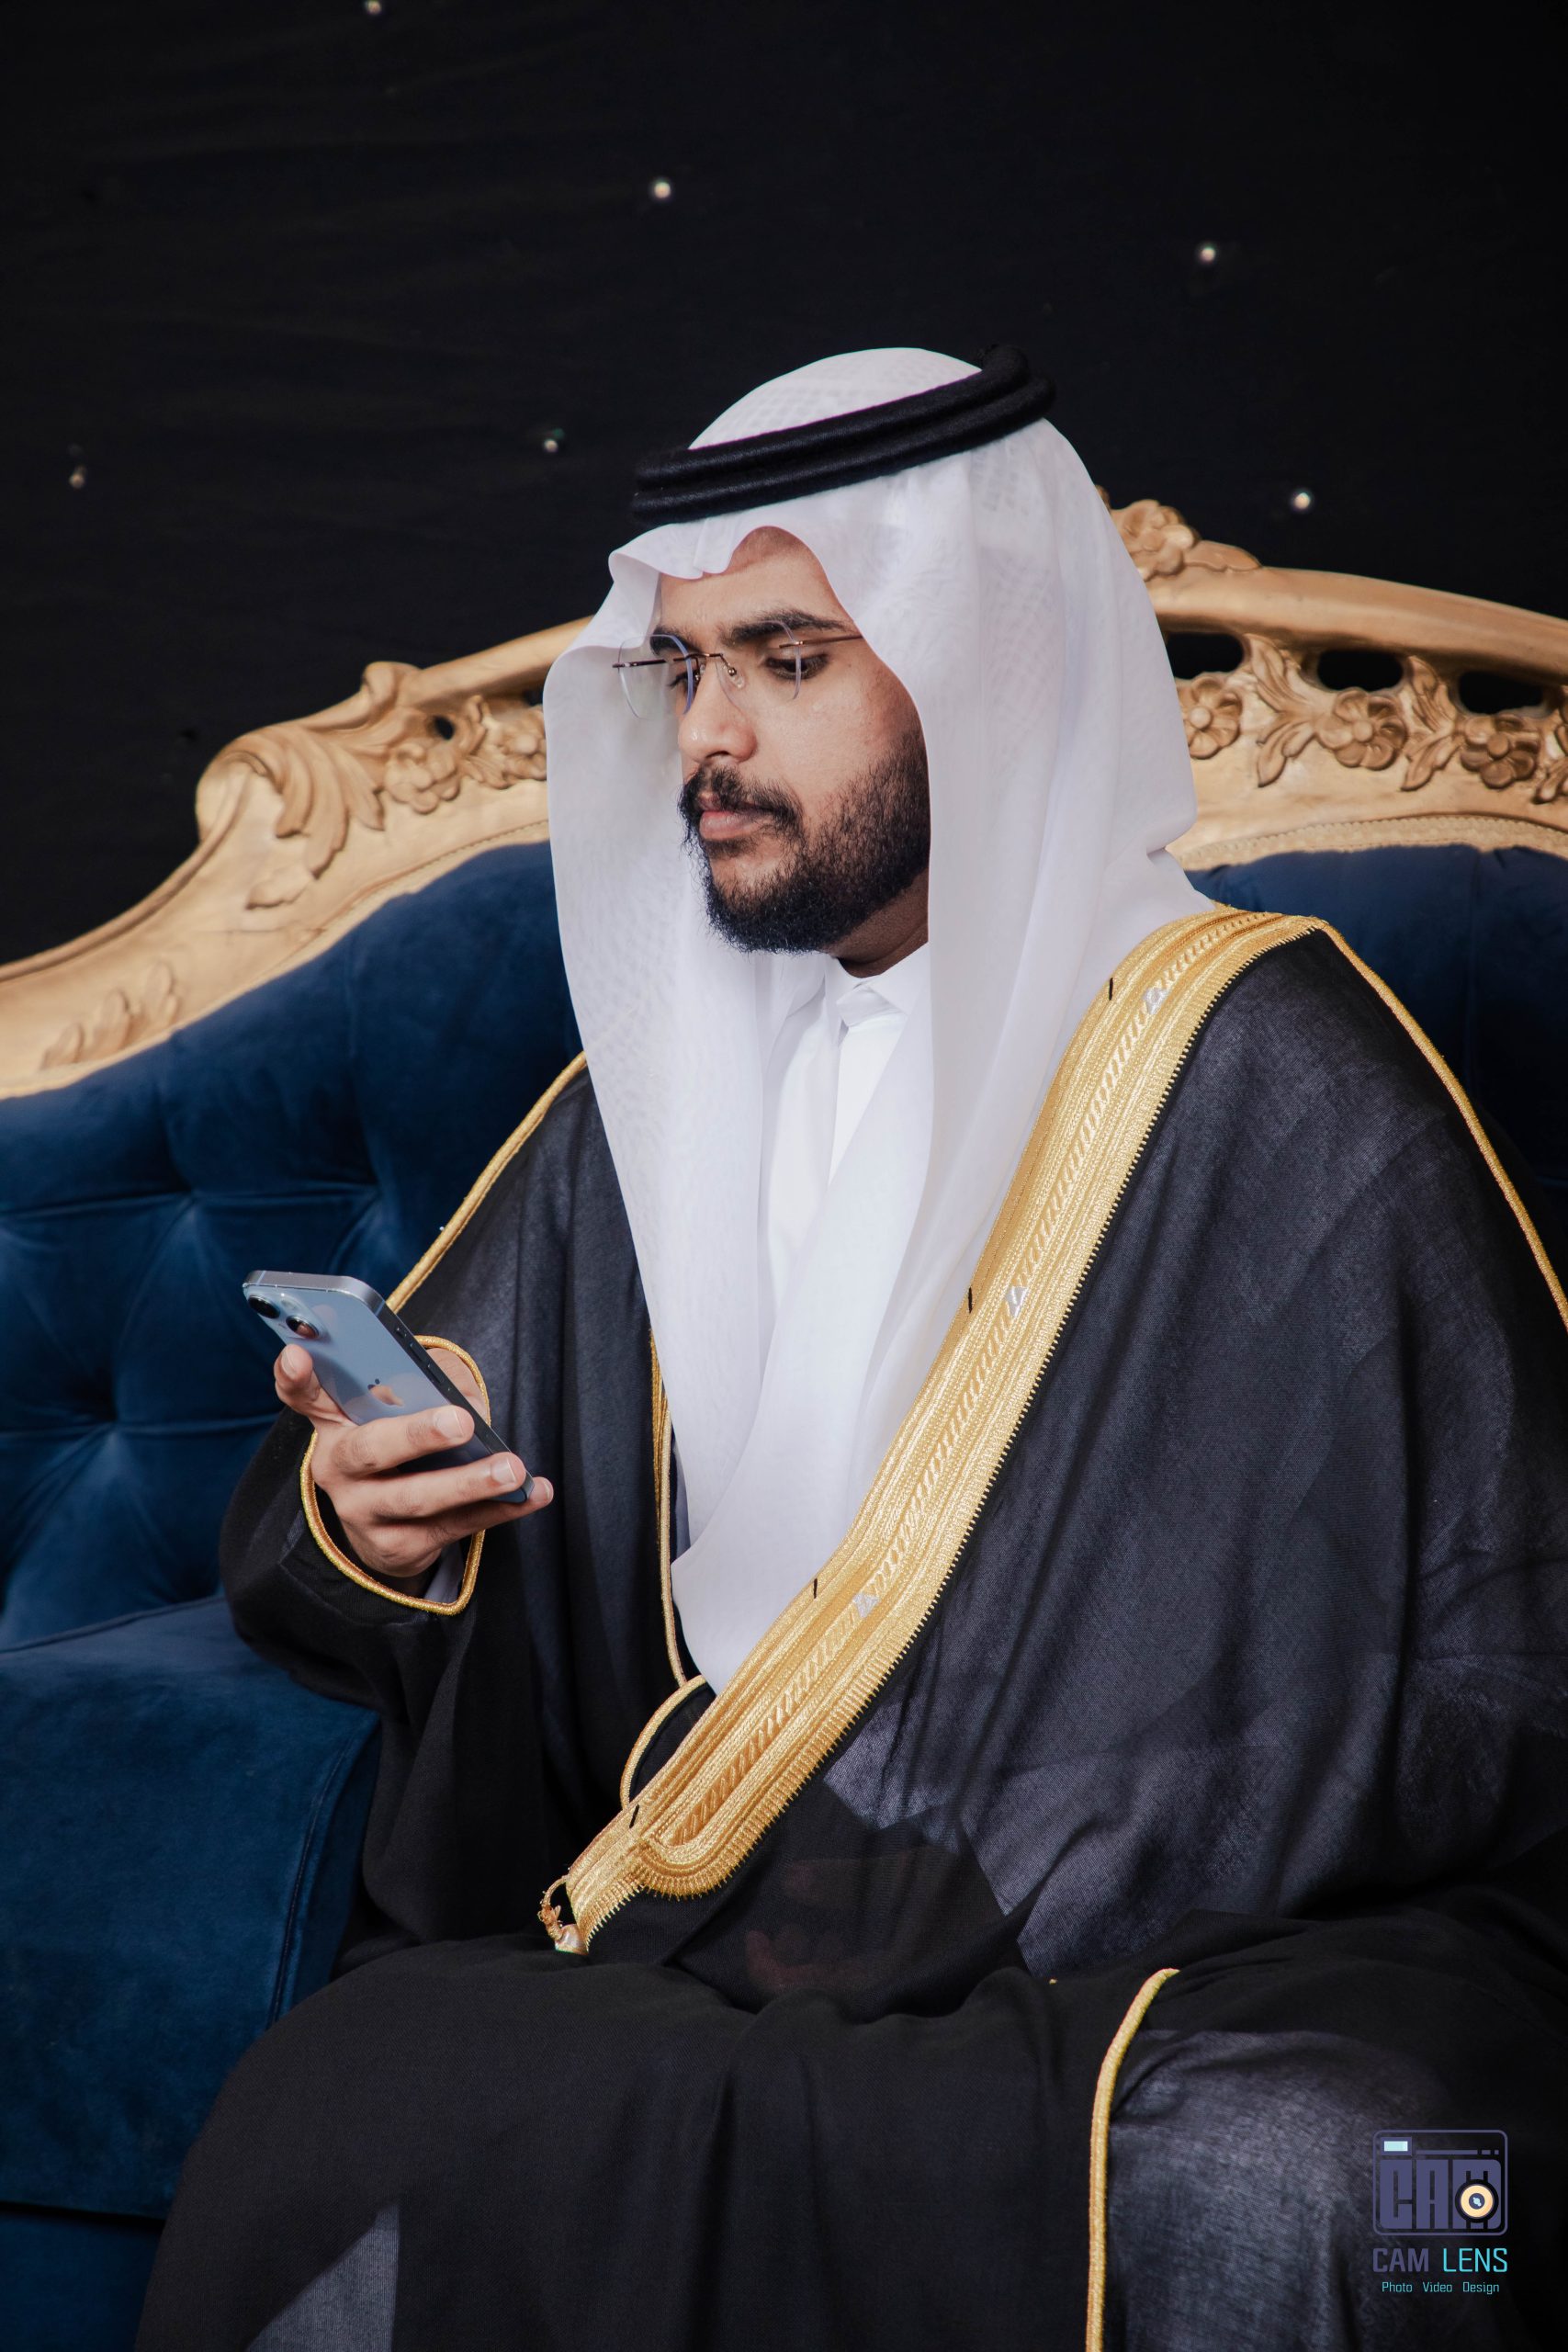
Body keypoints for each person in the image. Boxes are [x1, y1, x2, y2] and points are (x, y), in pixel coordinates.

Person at [139, 349, 1568, 2352]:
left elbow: (1498, 1646)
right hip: (738, 1923)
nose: (708, 737)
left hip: (1173, 1961)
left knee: (1353, 2178)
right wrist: (378, 1515)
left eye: (789, 660)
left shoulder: (1270, 1067)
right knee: (342, 2094)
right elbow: (358, 1527)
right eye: (684, 668)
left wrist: (1071, 1801)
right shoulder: (651, 1105)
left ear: (990, 673)